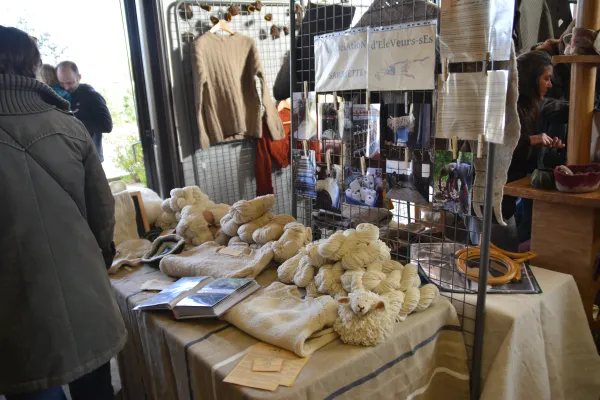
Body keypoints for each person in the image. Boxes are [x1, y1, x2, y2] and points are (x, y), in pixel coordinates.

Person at [0, 26, 126, 400]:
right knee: (95, 387)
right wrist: (99, 258)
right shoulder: (68, 125)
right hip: (82, 284)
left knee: (36, 388)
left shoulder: (73, 115)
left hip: (15, 302)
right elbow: (102, 209)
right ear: (34, 67)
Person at [56, 60, 112, 162]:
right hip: (69, 158)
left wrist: (72, 123)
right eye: (61, 83)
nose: (66, 87)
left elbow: (107, 126)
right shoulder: (58, 94)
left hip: (91, 158)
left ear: (79, 77)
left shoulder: (91, 96)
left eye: (70, 83)